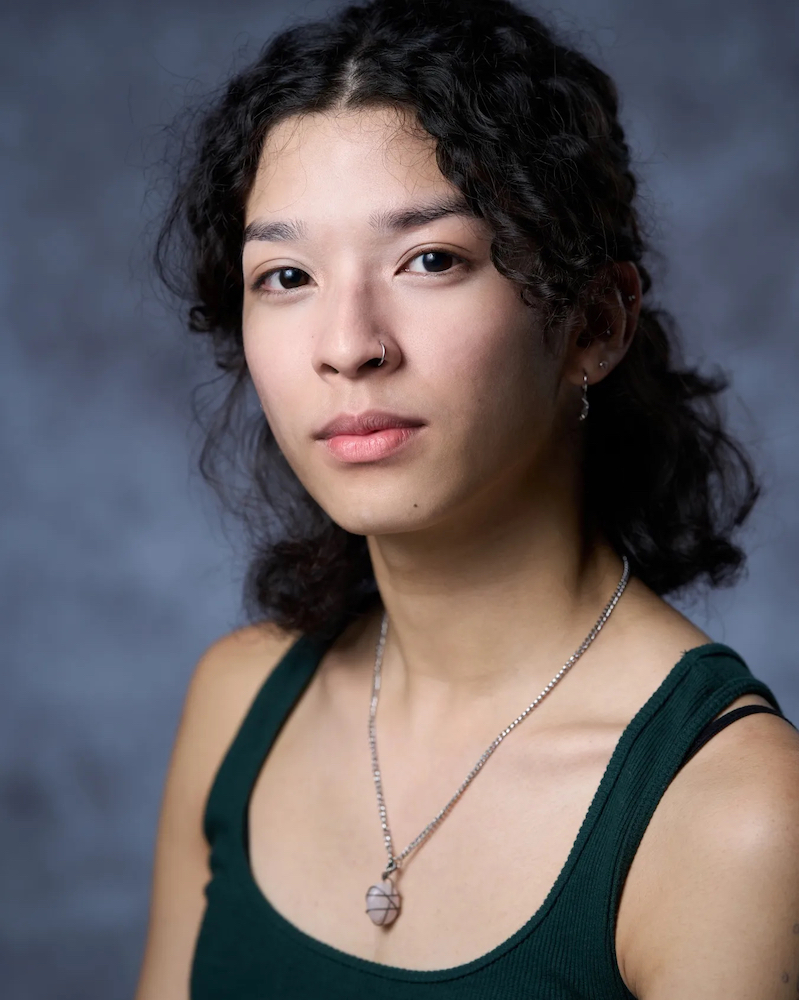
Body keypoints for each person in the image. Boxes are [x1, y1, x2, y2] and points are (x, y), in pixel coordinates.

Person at [135, 1, 799, 997]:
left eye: (429, 260)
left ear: (595, 324)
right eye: (285, 275)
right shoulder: (236, 702)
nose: (349, 343)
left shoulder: (734, 809)